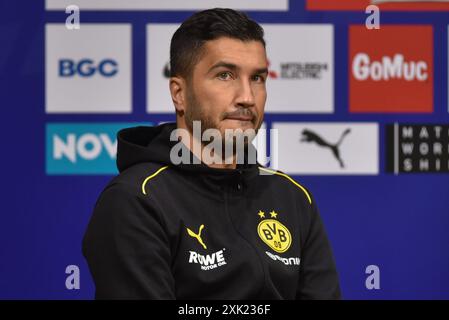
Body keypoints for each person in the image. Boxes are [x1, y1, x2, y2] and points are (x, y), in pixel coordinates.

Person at [82, 8, 341, 300]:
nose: (246, 97)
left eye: (257, 78)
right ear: (179, 94)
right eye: (225, 75)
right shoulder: (137, 199)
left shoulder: (293, 197)